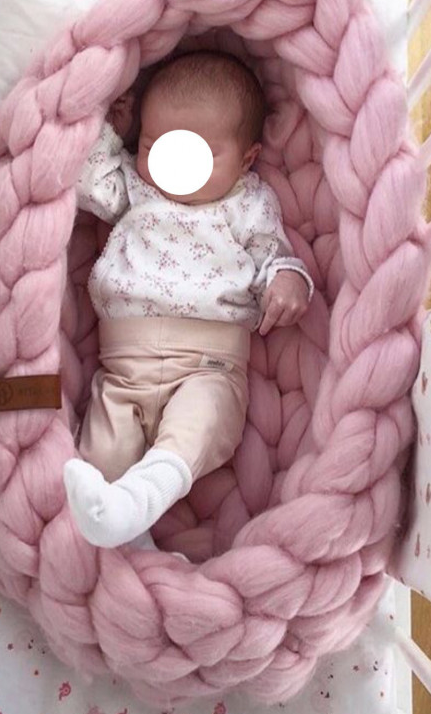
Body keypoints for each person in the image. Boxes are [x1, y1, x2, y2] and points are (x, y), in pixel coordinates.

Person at [63, 50, 313, 548]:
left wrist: (290, 280)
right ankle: (120, 530)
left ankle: (149, 491)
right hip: (123, 368)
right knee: (100, 460)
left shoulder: (247, 202)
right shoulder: (138, 188)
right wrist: (110, 131)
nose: (169, 169)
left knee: (199, 424)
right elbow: (89, 183)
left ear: (246, 160)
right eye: (153, 147)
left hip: (209, 367)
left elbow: (274, 256)